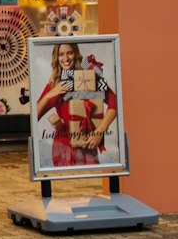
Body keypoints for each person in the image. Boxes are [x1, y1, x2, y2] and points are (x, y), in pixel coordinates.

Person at [34, 40, 117, 168]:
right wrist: (49, 95)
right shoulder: (55, 83)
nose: (66, 58)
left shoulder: (89, 77)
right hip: (63, 149)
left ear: (76, 54)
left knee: (89, 185)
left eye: (70, 53)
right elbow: (34, 116)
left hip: (88, 144)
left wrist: (99, 132)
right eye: (61, 54)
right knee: (64, 186)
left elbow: (114, 103)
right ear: (57, 58)